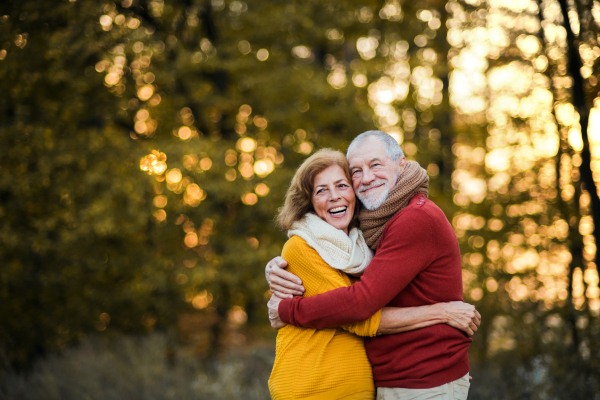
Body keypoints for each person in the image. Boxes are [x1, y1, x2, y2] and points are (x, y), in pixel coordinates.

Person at [266, 131, 478, 400]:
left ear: (401, 163)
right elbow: (357, 305)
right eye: (356, 171)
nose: (366, 178)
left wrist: (286, 309)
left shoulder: (410, 220)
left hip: (422, 380)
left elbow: (360, 304)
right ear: (309, 201)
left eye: (375, 165)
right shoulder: (368, 234)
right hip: (373, 381)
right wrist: (442, 312)